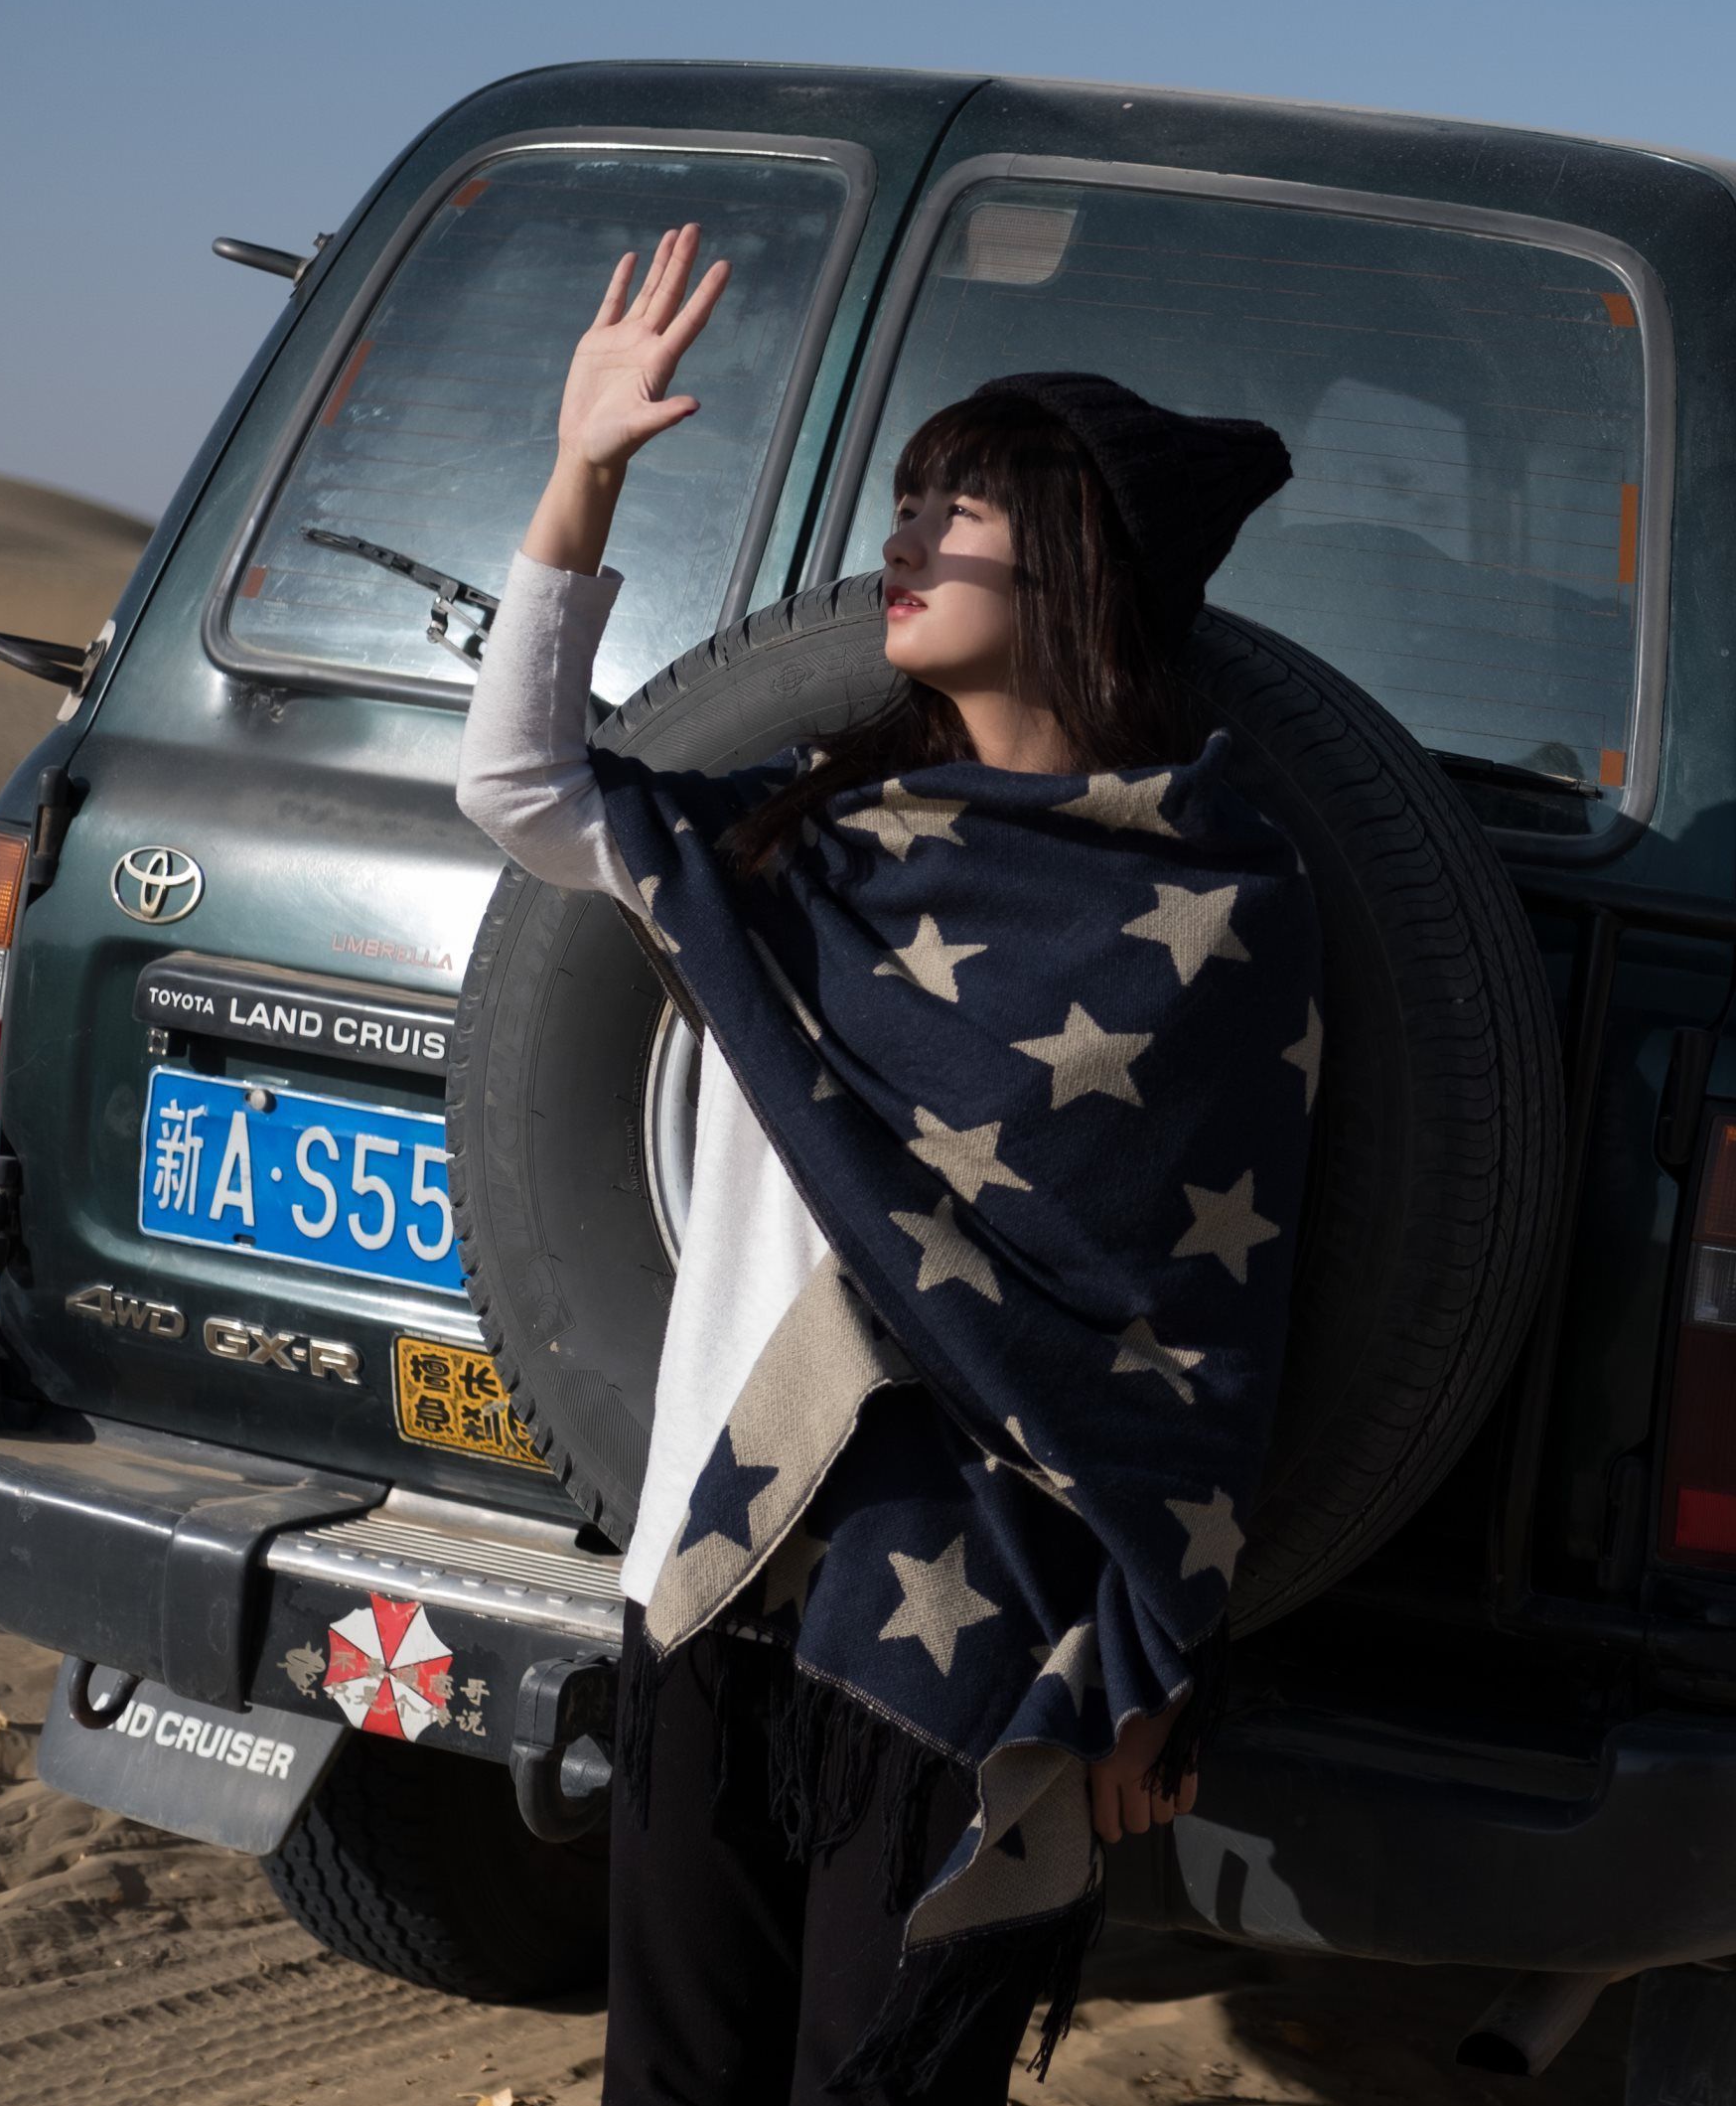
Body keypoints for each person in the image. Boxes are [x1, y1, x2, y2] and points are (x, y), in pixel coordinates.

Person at [457, 226, 1320, 2103]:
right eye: (908, 499)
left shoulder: (1220, 908)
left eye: (960, 507)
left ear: (1082, 562)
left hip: (991, 1610)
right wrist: (583, 474)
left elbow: (1202, 1325)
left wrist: (1157, 1649)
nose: (906, 540)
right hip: (729, 1552)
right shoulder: (810, 844)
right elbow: (519, 784)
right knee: (678, 2075)